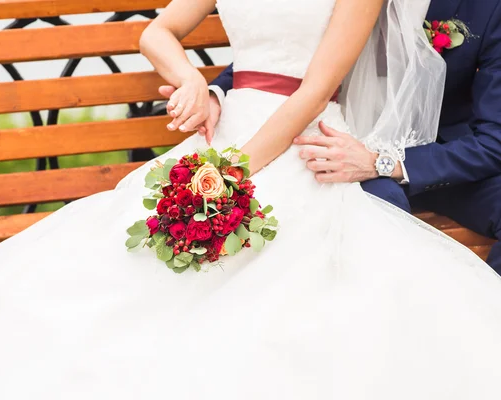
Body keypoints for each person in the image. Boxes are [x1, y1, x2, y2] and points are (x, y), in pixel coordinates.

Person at [0, 0, 501, 398]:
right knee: (63, 285)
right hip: (230, 124)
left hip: (299, 138)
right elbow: (157, 30)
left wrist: (231, 172)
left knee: (296, 281)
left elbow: (317, 89)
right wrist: (191, 79)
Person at [189, 0, 501, 274]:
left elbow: (494, 140)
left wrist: (382, 163)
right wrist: (216, 92)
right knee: (367, 217)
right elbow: (288, 42)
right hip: (328, 146)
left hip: (432, 157)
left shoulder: (487, 7)